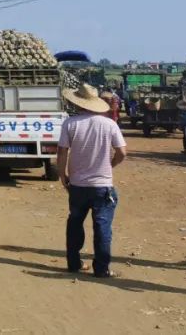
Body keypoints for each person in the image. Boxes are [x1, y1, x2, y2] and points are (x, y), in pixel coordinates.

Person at [57, 83, 128, 278]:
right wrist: (110, 165)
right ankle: (102, 269)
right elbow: (122, 152)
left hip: (78, 185)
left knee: (75, 223)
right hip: (102, 185)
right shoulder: (109, 124)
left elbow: (62, 152)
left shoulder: (70, 124)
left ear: (78, 102)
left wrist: (63, 177)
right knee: (102, 227)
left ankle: (73, 263)